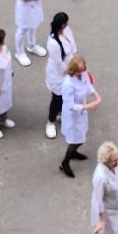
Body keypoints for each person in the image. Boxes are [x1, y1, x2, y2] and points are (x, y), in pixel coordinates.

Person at [58, 54, 100, 177]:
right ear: (74, 71)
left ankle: (74, 153)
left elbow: (88, 85)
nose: (82, 73)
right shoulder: (68, 84)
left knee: (80, 137)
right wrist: (88, 106)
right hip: (73, 116)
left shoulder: (83, 74)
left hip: (81, 112)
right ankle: (65, 162)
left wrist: (95, 95)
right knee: (75, 140)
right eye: (80, 72)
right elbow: (70, 105)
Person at [44, 12, 77, 140]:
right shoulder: (53, 43)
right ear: (63, 24)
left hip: (70, 69)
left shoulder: (67, 31)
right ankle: (51, 122)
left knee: (67, 95)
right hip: (59, 74)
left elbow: (73, 47)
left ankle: (62, 114)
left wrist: (76, 62)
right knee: (57, 98)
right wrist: (72, 70)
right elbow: (59, 65)